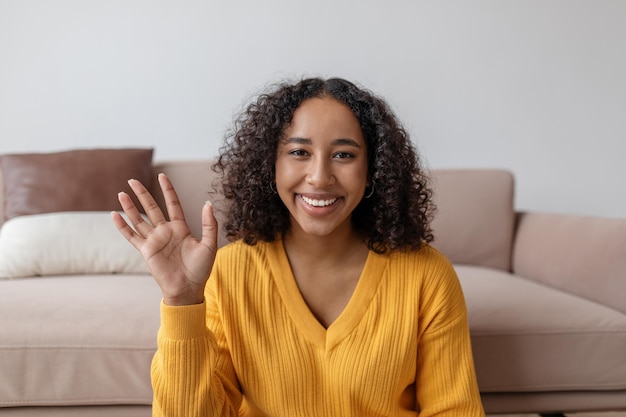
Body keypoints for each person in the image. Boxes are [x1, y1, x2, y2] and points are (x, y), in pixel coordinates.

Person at [112, 77, 485, 416]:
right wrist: (182, 301)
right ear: (269, 165)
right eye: (299, 152)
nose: (319, 177)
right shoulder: (228, 272)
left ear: (373, 169)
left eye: (343, 154)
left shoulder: (427, 275)